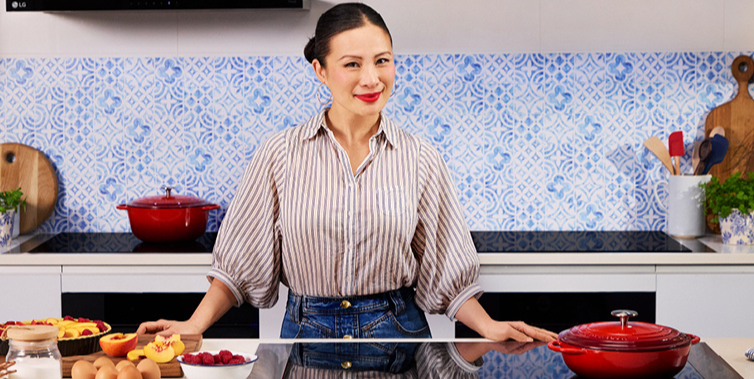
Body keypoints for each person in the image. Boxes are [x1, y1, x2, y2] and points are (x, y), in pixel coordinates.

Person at [137, 2, 556, 343]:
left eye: (382, 61)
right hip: (304, 336)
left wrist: (489, 328)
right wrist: (193, 325)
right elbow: (238, 265)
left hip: (399, 336)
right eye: (352, 64)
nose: (371, 78)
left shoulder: (420, 158)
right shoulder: (279, 154)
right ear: (320, 70)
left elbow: (446, 268)